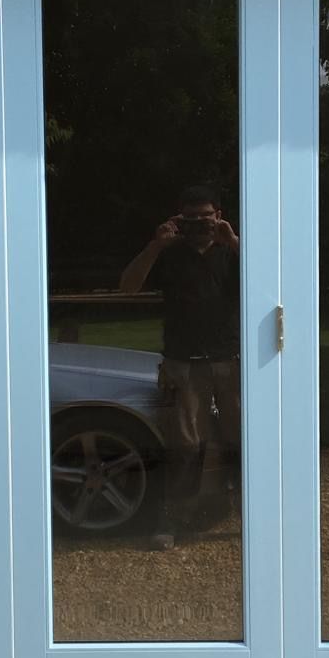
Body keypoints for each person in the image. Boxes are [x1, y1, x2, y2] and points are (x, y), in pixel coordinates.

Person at [119, 185, 241, 550]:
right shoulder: (169, 254)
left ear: (219, 215)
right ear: (179, 220)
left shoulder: (232, 252)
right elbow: (128, 287)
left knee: (241, 439)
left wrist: (234, 241)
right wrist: (155, 246)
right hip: (184, 363)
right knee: (185, 445)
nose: (200, 225)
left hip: (230, 361)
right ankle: (172, 518)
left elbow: (269, 286)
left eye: (206, 217)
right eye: (192, 219)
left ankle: (251, 512)